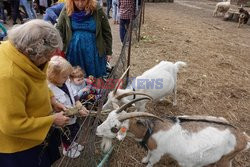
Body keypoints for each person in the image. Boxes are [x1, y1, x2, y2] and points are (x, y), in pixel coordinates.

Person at [0, 19, 70, 167]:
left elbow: (37, 82)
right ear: (32, 52)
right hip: (18, 147)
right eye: (47, 56)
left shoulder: (17, 53)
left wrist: (51, 99)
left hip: (34, 134)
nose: (49, 59)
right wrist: (52, 120)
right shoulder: (9, 77)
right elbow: (12, 125)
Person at [56, 0, 112, 78]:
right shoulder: (67, 8)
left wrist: (109, 51)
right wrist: (57, 47)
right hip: (74, 51)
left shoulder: (96, 9)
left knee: (94, 78)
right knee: (76, 77)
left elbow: (106, 30)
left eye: (83, 0)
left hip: (94, 51)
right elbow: (59, 28)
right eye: (77, 1)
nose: (80, 4)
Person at [47, 56, 89, 158]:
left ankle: (72, 143)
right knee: (66, 134)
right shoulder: (49, 89)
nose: (67, 79)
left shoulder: (65, 82)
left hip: (73, 114)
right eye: (64, 76)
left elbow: (73, 93)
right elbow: (53, 107)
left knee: (75, 130)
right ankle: (67, 148)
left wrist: (79, 105)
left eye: (67, 76)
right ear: (53, 76)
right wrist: (75, 110)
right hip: (63, 119)